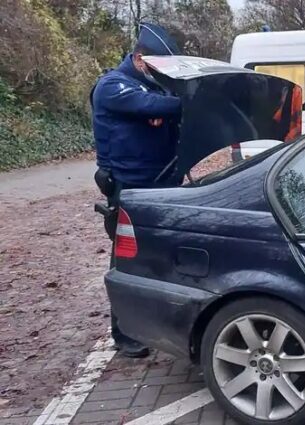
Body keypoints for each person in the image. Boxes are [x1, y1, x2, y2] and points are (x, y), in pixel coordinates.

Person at [91, 22, 182, 358]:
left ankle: (156, 323)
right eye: (159, 66)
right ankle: (126, 333)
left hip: (160, 181)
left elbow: (161, 107)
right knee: (128, 260)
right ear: (140, 59)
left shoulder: (151, 86)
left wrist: (162, 107)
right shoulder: (112, 86)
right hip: (129, 186)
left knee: (159, 255)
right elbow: (154, 107)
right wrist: (163, 107)